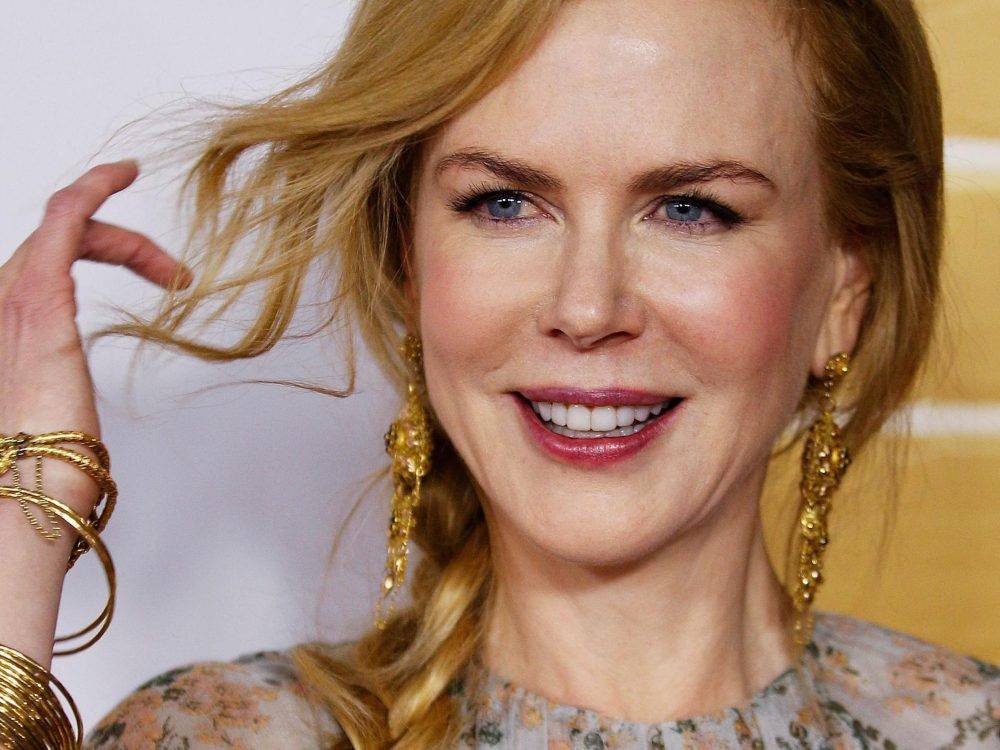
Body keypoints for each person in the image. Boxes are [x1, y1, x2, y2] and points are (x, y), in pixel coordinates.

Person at [1, 0, 997, 747]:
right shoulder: (222, 737)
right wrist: (27, 515)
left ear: (845, 289)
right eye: (504, 204)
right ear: (407, 261)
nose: (587, 306)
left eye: (690, 209)